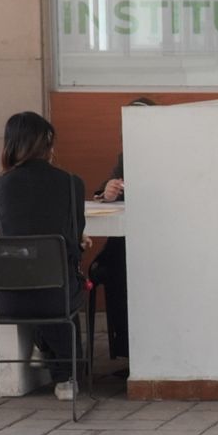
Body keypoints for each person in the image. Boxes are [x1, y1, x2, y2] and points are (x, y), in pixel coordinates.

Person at [0, 112, 88, 401]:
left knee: (39, 277)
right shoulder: (71, 183)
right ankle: (66, 375)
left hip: (9, 298)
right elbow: (73, 240)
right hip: (56, 293)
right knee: (59, 284)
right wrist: (78, 243)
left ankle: (44, 345)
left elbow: (7, 239)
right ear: (48, 144)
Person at [87, 96, 155, 360]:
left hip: (155, 242)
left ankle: (134, 347)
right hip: (128, 242)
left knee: (120, 267)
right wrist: (108, 193)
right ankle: (124, 347)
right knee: (115, 265)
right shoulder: (126, 157)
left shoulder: (168, 155)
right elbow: (107, 189)